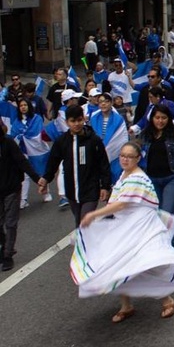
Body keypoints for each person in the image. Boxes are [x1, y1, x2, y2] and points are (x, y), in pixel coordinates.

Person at [74, 142, 174, 323]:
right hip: (124, 227)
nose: (125, 159)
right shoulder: (125, 174)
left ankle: (167, 299)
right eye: (122, 155)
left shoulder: (137, 178)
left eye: (129, 156)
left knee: (143, 264)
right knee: (119, 265)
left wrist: (94, 214)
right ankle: (126, 305)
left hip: (140, 228)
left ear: (138, 159)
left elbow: (122, 203)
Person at [41, 105, 112, 227]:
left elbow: (103, 164)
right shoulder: (61, 141)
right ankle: (89, 244)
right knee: (79, 223)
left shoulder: (94, 140)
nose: (76, 124)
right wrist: (46, 179)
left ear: (84, 119)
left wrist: (105, 186)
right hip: (72, 191)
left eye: (79, 120)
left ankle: (88, 244)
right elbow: (53, 162)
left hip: (90, 190)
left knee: (84, 223)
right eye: (72, 121)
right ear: (67, 122)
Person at [0, 118, 44, 271]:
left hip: (11, 188)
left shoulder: (8, 143)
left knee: (10, 223)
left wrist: (37, 179)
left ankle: (7, 255)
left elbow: (22, 162)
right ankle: (5, 246)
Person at [9, 98, 49, 209]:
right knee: (25, 174)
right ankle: (23, 199)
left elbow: (38, 133)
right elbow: (13, 135)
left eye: (25, 105)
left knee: (40, 171)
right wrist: (19, 137)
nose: (23, 107)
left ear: (29, 106)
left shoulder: (37, 119)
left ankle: (46, 192)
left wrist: (25, 135)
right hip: (23, 151)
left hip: (36, 150)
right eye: (21, 105)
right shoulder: (16, 122)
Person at [89, 93, 130, 184]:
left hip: (115, 155)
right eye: (100, 102)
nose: (103, 104)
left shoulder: (118, 119)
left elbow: (121, 139)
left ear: (111, 103)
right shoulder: (94, 118)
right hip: (97, 153)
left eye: (106, 101)